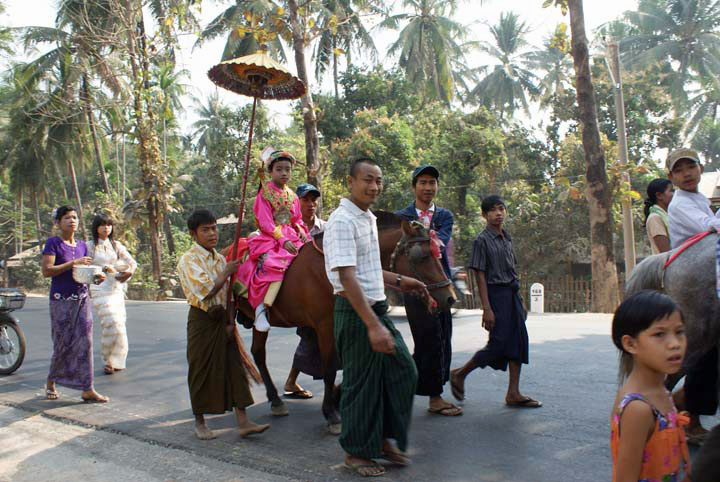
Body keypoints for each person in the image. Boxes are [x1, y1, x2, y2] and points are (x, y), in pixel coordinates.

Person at [324, 157, 428, 477]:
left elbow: (367, 268)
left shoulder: (367, 217)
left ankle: (381, 440)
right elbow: (347, 277)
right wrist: (372, 326)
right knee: (361, 385)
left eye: (378, 180)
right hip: (356, 313)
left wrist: (402, 281)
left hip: (376, 308)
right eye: (367, 179)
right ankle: (355, 453)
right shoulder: (342, 221)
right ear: (350, 182)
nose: (374, 186)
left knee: (403, 371)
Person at [177, 209, 269, 440]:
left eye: (214, 228)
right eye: (205, 230)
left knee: (234, 369)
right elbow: (206, 291)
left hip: (223, 320)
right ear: (193, 234)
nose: (212, 234)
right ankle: (200, 423)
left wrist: (230, 321)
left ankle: (243, 421)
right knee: (200, 371)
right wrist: (227, 272)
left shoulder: (219, 259)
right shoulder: (189, 260)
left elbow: (229, 295)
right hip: (202, 320)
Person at [450, 195, 541, 408]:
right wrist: (487, 308)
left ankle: (513, 393)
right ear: (484, 215)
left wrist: (519, 300)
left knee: (519, 340)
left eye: (501, 208)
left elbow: (511, 270)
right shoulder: (482, 240)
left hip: (512, 294)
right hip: (496, 295)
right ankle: (460, 373)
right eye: (492, 210)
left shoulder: (506, 237)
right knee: (498, 343)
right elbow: (480, 275)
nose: (498, 213)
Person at [395, 165, 460, 416]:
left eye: (432, 182)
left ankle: (430, 389)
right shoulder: (402, 217)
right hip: (414, 288)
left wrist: (420, 238)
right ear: (414, 187)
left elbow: (438, 244)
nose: (428, 187)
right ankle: (433, 397)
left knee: (444, 337)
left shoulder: (444, 216)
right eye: (422, 182)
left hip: (439, 285)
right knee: (427, 339)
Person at [666, 148, 719, 445]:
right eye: (679, 170)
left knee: (707, 355)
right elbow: (709, 227)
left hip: (708, 276)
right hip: (696, 284)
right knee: (698, 352)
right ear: (671, 177)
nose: (687, 173)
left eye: (691, 167)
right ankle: (678, 413)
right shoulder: (681, 204)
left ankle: (678, 405)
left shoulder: (698, 199)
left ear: (700, 168)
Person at [609, 291, 690, 482]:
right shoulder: (638, 408)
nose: (675, 344)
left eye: (679, 332)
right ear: (631, 344)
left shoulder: (660, 390)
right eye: (659, 334)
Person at [235, 151, 309, 332]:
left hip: (291, 235)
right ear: (270, 172)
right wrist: (282, 239)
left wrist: (301, 229)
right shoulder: (265, 193)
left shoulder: (292, 195)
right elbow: (266, 221)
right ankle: (260, 309)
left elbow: (297, 219)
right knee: (270, 263)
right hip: (270, 236)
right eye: (279, 169)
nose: (284, 173)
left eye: (287, 170)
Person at [41, 205, 108, 403]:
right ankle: (51, 381)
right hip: (61, 300)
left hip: (82, 299)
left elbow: (84, 275)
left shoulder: (82, 246)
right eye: (67, 218)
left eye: (75, 217)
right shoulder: (53, 243)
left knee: (85, 343)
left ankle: (88, 388)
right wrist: (73, 263)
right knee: (63, 343)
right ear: (58, 222)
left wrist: (97, 278)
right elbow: (47, 271)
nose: (72, 221)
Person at [283, 183, 327, 399]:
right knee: (311, 336)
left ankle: (291, 380)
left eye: (313, 200)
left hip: (324, 292)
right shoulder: (288, 230)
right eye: (305, 200)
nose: (311, 204)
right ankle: (292, 381)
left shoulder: (326, 229)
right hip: (299, 294)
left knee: (312, 337)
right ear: (296, 203)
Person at [87, 213, 137, 375]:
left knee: (119, 324)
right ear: (96, 227)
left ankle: (117, 361)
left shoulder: (116, 245)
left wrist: (128, 273)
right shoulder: (89, 246)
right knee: (110, 321)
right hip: (98, 288)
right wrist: (102, 270)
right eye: (103, 225)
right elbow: (85, 268)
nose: (106, 228)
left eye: (109, 225)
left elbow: (131, 263)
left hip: (115, 288)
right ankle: (108, 360)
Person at [644, 178, 674, 254]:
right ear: (659, 195)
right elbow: (666, 252)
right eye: (671, 190)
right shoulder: (654, 218)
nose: (674, 194)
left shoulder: (670, 216)